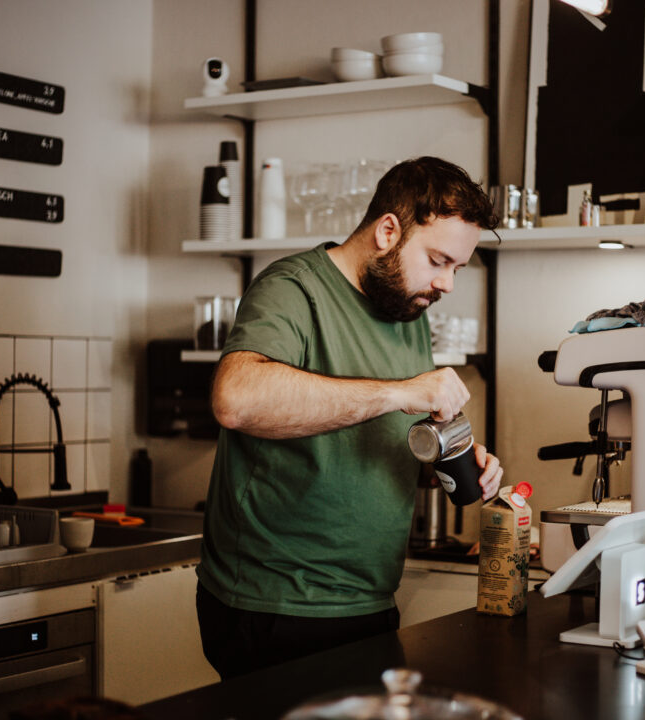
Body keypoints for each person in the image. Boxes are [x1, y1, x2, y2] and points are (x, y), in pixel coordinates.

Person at [195, 156, 504, 679]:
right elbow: (236, 400)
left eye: (457, 267)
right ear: (388, 231)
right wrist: (398, 393)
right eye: (438, 260)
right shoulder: (292, 288)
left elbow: (386, 427)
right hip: (276, 605)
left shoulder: (405, 308)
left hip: (367, 600)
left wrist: (450, 460)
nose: (447, 283)